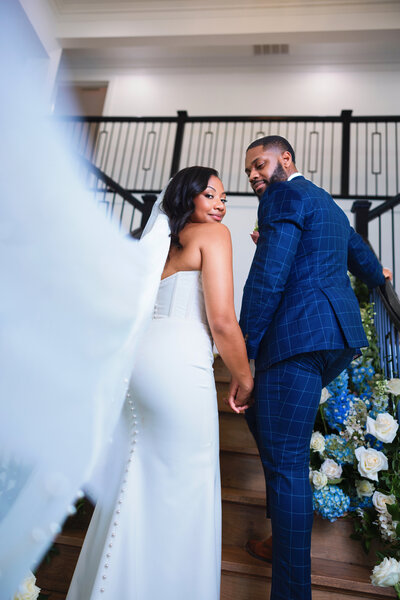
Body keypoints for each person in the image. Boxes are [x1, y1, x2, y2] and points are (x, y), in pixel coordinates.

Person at [66, 166, 253, 600]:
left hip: (140, 365)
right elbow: (223, 320)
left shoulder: (158, 247)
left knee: (136, 478)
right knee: (183, 488)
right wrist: (244, 377)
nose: (220, 205)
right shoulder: (215, 237)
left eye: (224, 198)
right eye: (210, 195)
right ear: (189, 198)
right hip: (179, 366)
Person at [234, 135, 387, 600]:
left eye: (260, 165)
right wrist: (380, 276)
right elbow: (357, 251)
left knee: (287, 468)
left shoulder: (283, 196)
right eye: (249, 173)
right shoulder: (325, 202)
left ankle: (292, 592)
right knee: (267, 423)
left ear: (286, 159)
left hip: (296, 340)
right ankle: (281, 534)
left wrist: (243, 351)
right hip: (334, 339)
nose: (255, 176)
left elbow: (268, 275)